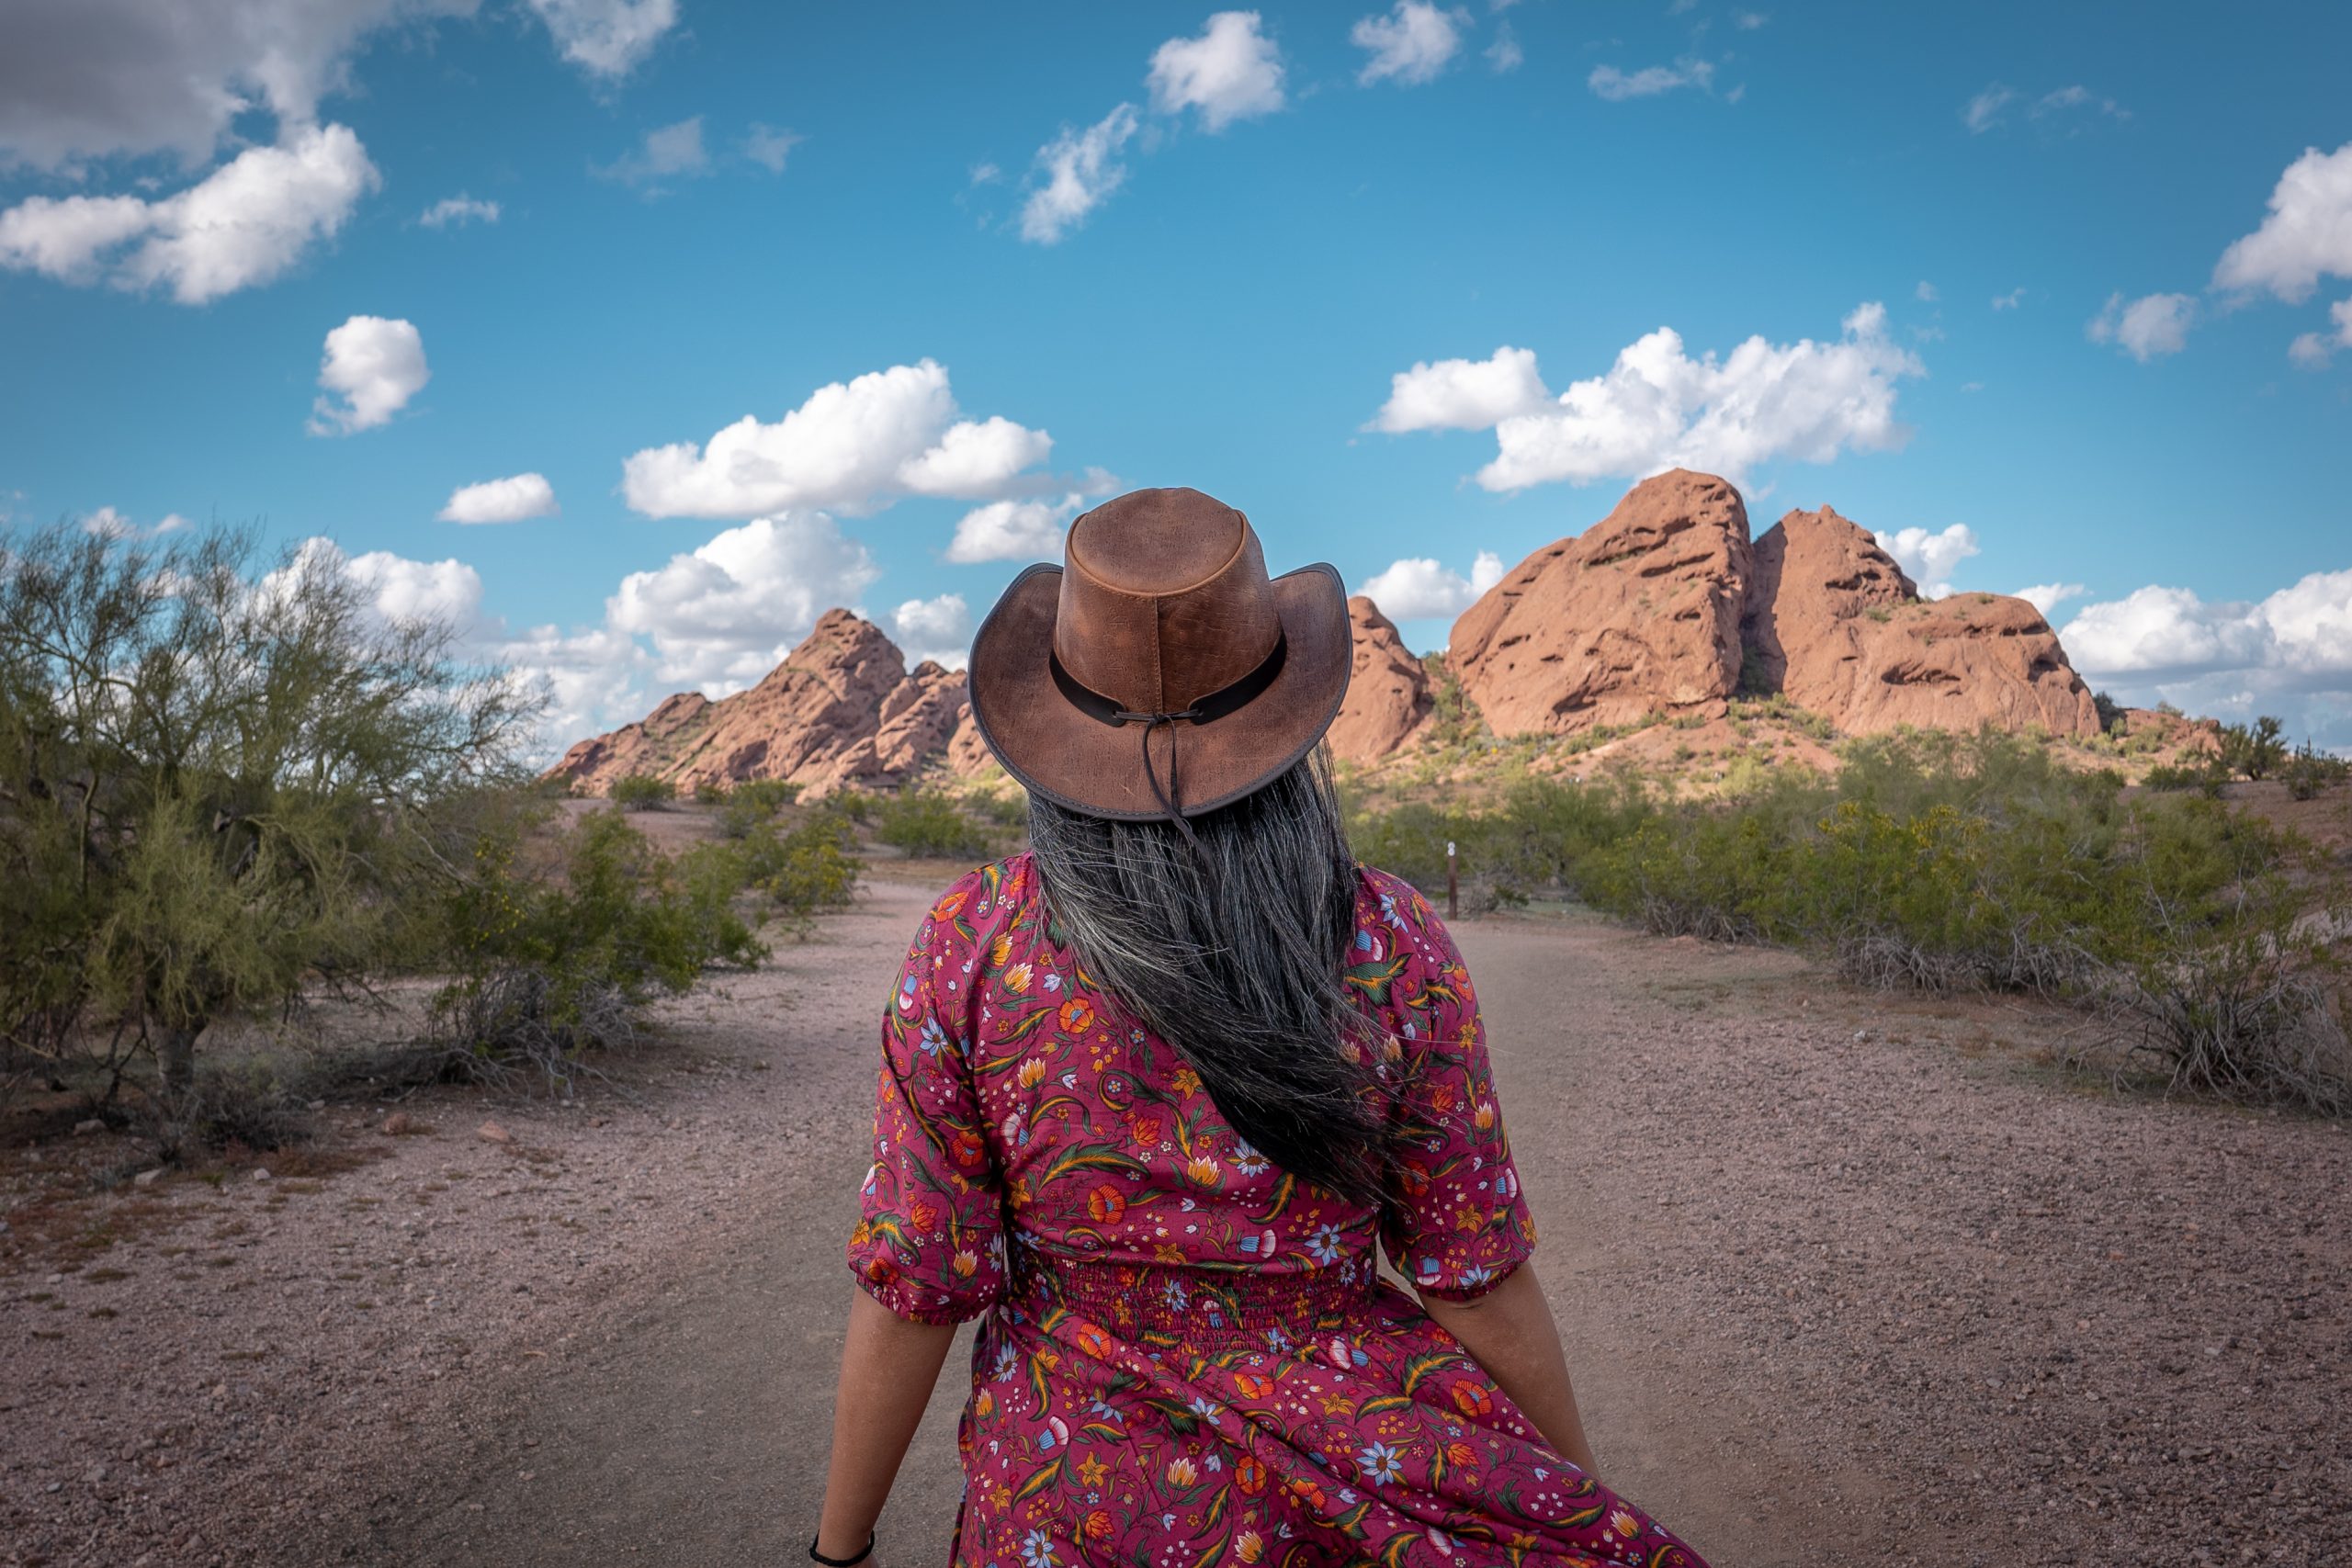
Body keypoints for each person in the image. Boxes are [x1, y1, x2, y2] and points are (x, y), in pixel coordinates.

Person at [814, 488, 1711, 1568]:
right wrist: (1572, 1502)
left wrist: (841, 1545)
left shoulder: (974, 940)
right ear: (1288, 706)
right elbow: (1472, 1268)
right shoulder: (1388, 937)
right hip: (1356, 1470)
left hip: (1068, 1492)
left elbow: (920, 1284)